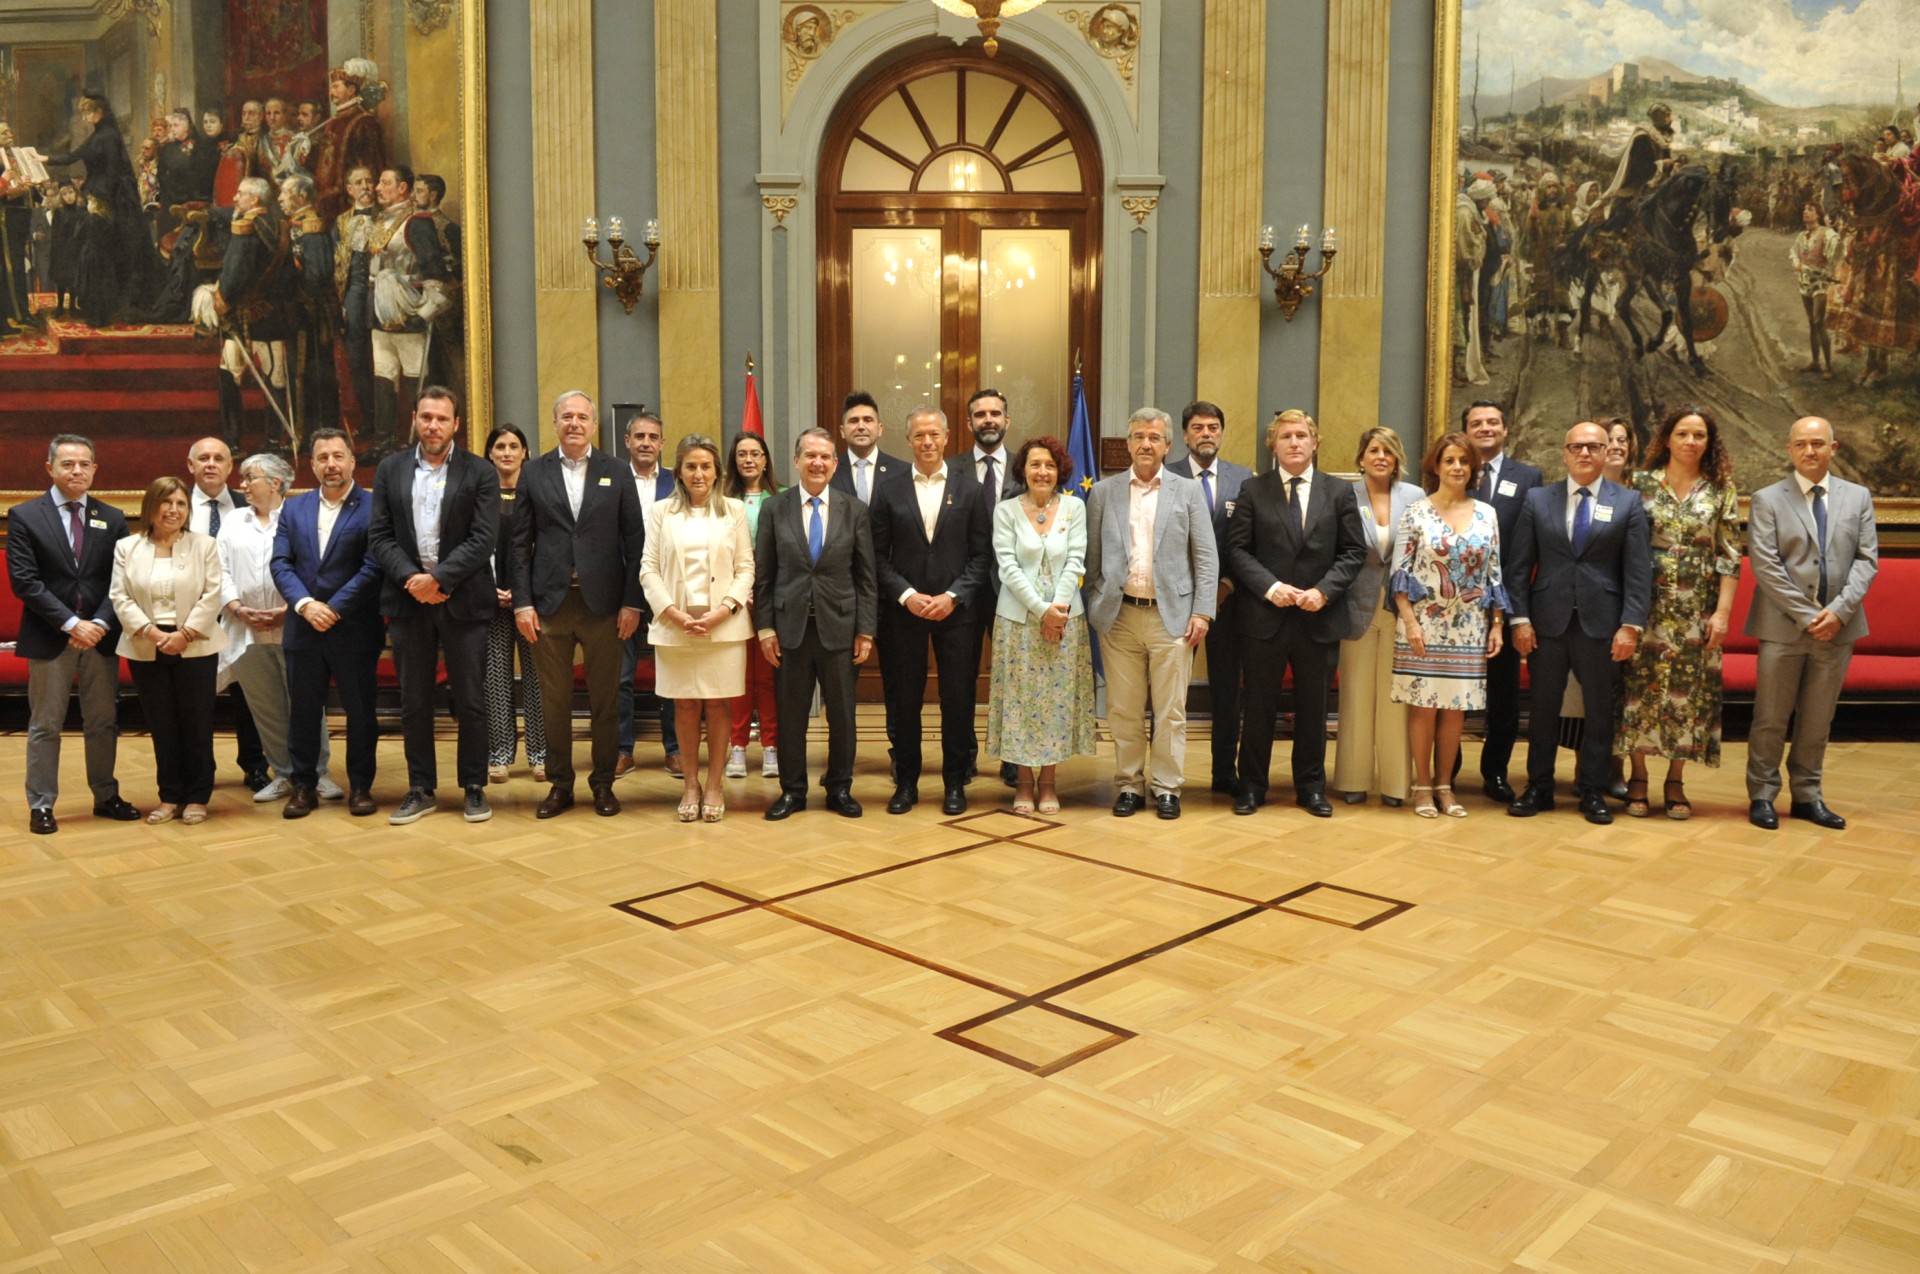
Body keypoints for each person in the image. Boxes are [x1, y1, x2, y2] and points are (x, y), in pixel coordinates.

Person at [1506, 421, 1653, 825]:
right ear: (1565, 454)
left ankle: (1591, 789)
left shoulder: (1628, 503)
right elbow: (1518, 568)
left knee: (1600, 712)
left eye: (1593, 447)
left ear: (1608, 453)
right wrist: (1519, 620)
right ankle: (1538, 786)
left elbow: (1638, 572)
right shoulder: (1538, 500)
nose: (1585, 454)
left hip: (1603, 626)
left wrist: (1631, 626)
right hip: (1545, 623)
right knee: (1543, 710)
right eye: (1577, 447)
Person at [1221, 409, 1366, 818]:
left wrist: (1324, 591)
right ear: (1273, 445)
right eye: (1286, 436)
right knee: (1259, 707)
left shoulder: (1338, 492)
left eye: (1302, 435)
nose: (1295, 443)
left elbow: (1353, 551)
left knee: (1314, 709)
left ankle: (1310, 788)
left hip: (1318, 618)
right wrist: (1271, 588)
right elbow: (1236, 550)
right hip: (1265, 619)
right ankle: (1251, 786)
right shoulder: (1253, 489)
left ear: (1315, 442)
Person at [511, 391, 646, 819]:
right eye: (566, 416)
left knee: (606, 699)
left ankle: (603, 783)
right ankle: (560, 784)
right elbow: (519, 545)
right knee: (554, 701)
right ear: (555, 423)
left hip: (605, 605)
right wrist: (522, 603)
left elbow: (636, 541)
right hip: (550, 605)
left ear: (593, 425)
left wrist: (631, 602)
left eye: (582, 417)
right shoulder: (533, 473)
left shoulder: (617, 471)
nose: (574, 423)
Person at [368, 386, 499, 824]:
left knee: (471, 699)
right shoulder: (391, 469)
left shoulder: (480, 471)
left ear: (456, 424)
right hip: (408, 602)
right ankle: (420, 787)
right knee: (414, 701)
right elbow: (380, 536)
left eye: (442, 419)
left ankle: (474, 786)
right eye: (426, 417)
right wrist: (412, 580)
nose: (433, 426)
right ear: (415, 419)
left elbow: (484, 539)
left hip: (464, 599)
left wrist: (439, 579)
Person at [1743, 416, 1878, 830]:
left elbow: (1866, 561)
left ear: (1833, 449)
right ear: (1789, 450)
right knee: (1770, 718)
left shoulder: (1858, 497)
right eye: (1800, 444)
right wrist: (1808, 616)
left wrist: (1837, 612)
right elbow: (1765, 566)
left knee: (1819, 719)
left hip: (1839, 628)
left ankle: (1807, 795)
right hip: (1783, 627)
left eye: (1818, 443)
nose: (1809, 451)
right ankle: (1763, 795)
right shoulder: (1767, 499)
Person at [1085, 407, 1218, 820]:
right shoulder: (1104, 492)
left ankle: (1167, 788)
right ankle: (1128, 784)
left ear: (1167, 444)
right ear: (1128, 444)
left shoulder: (1187, 491)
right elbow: (1091, 559)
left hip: (1173, 617)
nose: (1146, 444)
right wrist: (1096, 604)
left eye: (1154, 438)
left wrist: (1203, 612)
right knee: (1123, 709)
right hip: (1119, 617)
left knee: (1170, 710)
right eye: (1139, 436)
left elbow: (1206, 558)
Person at [7, 435, 137, 834]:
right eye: (68, 464)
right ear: (50, 468)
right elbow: (25, 582)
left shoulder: (112, 517)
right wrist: (70, 623)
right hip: (51, 638)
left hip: (100, 637)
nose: (77, 470)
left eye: (84, 464)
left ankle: (105, 795)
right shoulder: (26, 515)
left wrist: (97, 623)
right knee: (46, 724)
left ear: (95, 469)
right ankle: (42, 804)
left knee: (103, 721)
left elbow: (122, 581)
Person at [1614, 408, 1740, 820]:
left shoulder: (1721, 489)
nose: (1690, 441)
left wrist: (1721, 614)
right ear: (1667, 439)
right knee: (1640, 689)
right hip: (1645, 606)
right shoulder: (1641, 484)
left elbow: (1729, 557)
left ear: (1709, 441)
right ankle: (1637, 775)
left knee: (1689, 693)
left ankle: (1675, 778)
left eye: (1699, 435)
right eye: (1683, 433)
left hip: (1696, 610)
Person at [870, 407, 993, 815]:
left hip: (956, 616)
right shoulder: (887, 490)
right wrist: (906, 595)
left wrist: (953, 596)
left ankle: (955, 783)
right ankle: (906, 783)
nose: (927, 442)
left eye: (934, 435)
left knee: (957, 700)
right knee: (903, 701)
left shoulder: (971, 490)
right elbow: (876, 556)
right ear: (908, 441)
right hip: (903, 614)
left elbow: (981, 556)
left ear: (946, 437)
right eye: (919, 435)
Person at [754, 427, 877, 820]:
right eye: (810, 455)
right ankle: (792, 791)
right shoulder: (775, 509)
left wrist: (866, 630)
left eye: (825, 457)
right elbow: (764, 575)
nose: (817, 463)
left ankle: (840, 788)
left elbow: (865, 576)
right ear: (796, 461)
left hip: (839, 628)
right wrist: (765, 627)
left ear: (835, 463)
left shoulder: (853, 509)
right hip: (789, 630)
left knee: (842, 715)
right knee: (791, 717)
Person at [1391, 433, 1507, 818]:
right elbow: (1399, 574)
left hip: (1469, 627)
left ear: (1473, 467)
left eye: (1464, 461)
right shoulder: (1415, 512)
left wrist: (1496, 625)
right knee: (1423, 708)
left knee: (1456, 709)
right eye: (1449, 460)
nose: (1457, 467)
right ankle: (1422, 787)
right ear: (1436, 466)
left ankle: (1445, 785)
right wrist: (1410, 623)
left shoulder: (1486, 513)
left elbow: (1494, 575)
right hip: (1423, 626)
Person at [643, 434, 757, 822]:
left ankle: (714, 785)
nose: (699, 473)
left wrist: (723, 610)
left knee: (719, 704)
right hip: (675, 626)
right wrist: (671, 612)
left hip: (722, 627)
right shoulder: (661, 512)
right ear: (680, 470)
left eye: (706, 465)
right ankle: (690, 784)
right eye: (691, 465)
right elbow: (648, 568)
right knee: (685, 705)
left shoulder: (734, 512)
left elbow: (746, 568)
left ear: (717, 471)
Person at [271, 428, 383, 818]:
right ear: (312, 464)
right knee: (303, 711)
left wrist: (333, 608)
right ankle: (303, 786)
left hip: (353, 627)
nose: (330, 464)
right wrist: (305, 604)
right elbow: (281, 563)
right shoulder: (293, 508)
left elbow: (374, 567)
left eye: (338, 456)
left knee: (360, 711)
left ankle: (361, 786)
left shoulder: (373, 507)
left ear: (353, 461)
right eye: (322, 457)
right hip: (304, 627)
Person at [216, 452, 338, 804]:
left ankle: (317, 773)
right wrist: (237, 607)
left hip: (295, 625)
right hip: (245, 629)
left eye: (249, 477)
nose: (242, 485)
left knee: (306, 703)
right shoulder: (234, 520)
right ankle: (283, 774)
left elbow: (316, 567)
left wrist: (290, 608)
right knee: (265, 707)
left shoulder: (301, 516)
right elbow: (219, 570)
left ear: (275, 482)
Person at [985, 435, 1095, 814]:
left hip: (1066, 620)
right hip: (1018, 621)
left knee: (1056, 703)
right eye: (1034, 464)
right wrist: (1040, 610)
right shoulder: (1007, 510)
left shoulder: (1074, 508)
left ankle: (1048, 782)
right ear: (1023, 470)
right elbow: (1007, 567)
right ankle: (1023, 782)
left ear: (1059, 469)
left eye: (1049, 465)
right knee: (1020, 703)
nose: (1042, 471)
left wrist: (1057, 611)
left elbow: (1076, 560)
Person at [110, 477, 228, 825]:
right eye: (167, 503)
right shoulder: (127, 547)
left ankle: (197, 796)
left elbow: (213, 593)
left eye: (181, 504)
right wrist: (152, 633)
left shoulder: (203, 545)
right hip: (146, 644)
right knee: (162, 723)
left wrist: (186, 633)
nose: (174, 510)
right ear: (151, 507)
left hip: (195, 645)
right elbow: (120, 596)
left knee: (196, 721)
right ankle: (169, 796)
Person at [1166, 400, 1254, 795]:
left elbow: (1251, 543)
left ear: (1221, 433)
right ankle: (1164, 776)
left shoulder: (1244, 480)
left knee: (1225, 693)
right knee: (1166, 694)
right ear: (1185, 436)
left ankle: (1224, 773)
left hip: (1228, 603)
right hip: (1174, 602)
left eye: (1213, 427)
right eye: (1198, 427)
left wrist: (1224, 587)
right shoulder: (1166, 477)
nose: (1206, 433)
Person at [1333, 426, 1423, 807]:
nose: (1381, 457)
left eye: (1388, 450)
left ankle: (1395, 783)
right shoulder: (1343, 495)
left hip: (1402, 608)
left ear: (1397, 457)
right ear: (1361, 458)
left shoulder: (1416, 496)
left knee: (1394, 696)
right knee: (1355, 693)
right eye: (1373, 450)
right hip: (1355, 604)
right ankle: (1352, 778)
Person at [1459, 400, 1541, 801]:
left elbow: (1529, 546)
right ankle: (1448, 770)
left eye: (1493, 422)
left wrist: (1512, 609)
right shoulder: (1452, 470)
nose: (1485, 428)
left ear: (1505, 430)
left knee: (1503, 696)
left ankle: (1495, 773)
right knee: (1450, 692)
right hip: (1455, 605)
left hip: (1504, 604)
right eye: (1477, 423)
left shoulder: (1528, 477)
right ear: (1466, 431)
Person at [185, 436, 270, 791]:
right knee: (195, 698)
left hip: (240, 615)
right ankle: (198, 770)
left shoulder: (246, 505)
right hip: (191, 619)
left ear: (229, 468)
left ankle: (255, 766)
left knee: (249, 694)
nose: (210, 464)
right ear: (190, 466)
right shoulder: (176, 505)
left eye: (219, 458)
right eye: (202, 458)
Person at [365, 166, 452, 452]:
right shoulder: (380, 221)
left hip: (409, 312)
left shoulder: (417, 222)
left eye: (385, 182)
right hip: (380, 314)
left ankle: (418, 442)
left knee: (416, 377)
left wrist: (424, 312)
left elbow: (435, 271)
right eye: (380, 182)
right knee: (383, 374)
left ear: (403, 188)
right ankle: (383, 442)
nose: (378, 187)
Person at [963, 387, 1026, 786]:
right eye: (980, 414)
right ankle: (963, 754)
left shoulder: (1029, 467)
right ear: (969, 422)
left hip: (1015, 590)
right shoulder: (951, 468)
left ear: (1007, 420)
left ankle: (1012, 756)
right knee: (960, 677)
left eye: (995, 414)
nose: (988, 420)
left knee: (1013, 677)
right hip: (966, 590)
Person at [616, 410, 682, 778]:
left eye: (652, 437)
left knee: (670, 674)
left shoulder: (676, 483)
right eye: (639, 436)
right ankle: (624, 749)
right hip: (622, 590)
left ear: (662, 443)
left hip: (667, 592)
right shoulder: (609, 478)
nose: (645, 443)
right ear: (627, 441)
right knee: (621, 676)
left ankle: (674, 749)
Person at [482, 424, 545, 785]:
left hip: (530, 602)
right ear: (490, 453)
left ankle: (540, 755)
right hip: (488, 601)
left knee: (538, 679)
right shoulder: (479, 494)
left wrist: (523, 594)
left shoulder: (535, 493)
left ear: (525, 452)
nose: (507, 452)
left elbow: (544, 549)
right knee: (496, 678)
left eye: (514, 446)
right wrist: (490, 589)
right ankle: (500, 755)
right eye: (500, 446)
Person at [723, 430, 782, 779]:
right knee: (739, 679)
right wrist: (738, 591)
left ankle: (772, 746)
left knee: (769, 678)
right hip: (733, 602)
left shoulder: (783, 498)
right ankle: (738, 747)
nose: (749, 460)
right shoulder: (721, 500)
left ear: (765, 460)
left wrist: (764, 591)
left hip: (772, 600)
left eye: (756, 454)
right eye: (742, 454)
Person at [310, 61, 387, 227]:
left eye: (337, 87)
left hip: (348, 199)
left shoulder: (364, 121)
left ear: (351, 91)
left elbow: (368, 165)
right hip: (326, 199)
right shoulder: (334, 121)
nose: (332, 92)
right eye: (332, 87)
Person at [1790, 202, 1841, 380]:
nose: (1806, 212)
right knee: (1811, 322)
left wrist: (1830, 270)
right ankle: (1815, 362)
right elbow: (1793, 252)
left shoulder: (1826, 233)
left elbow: (1836, 253)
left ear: (1818, 214)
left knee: (1819, 321)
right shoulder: (1802, 236)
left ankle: (1828, 366)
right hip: (1804, 282)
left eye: (1810, 210)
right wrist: (1796, 262)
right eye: (1804, 209)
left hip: (1820, 283)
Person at [830, 390, 905, 504]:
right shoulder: (830, 471)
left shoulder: (901, 472)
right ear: (842, 431)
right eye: (854, 421)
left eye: (868, 420)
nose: (861, 426)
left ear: (880, 429)